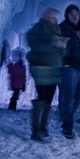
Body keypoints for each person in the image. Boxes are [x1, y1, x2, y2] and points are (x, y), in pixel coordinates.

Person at [26, 8, 67, 142]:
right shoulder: (37, 30)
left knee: (48, 98)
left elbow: (60, 50)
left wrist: (62, 54)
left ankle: (43, 127)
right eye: (52, 17)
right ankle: (36, 129)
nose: (54, 20)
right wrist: (52, 43)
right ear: (45, 16)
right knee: (42, 96)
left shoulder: (56, 30)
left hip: (54, 67)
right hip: (40, 66)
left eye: (55, 18)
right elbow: (35, 44)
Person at [58, 4, 80, 139]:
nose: (74, 16)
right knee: (69, 96)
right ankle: (67, 127)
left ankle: (66, 115)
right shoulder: (62, 28)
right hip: (69, 67)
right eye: (71, 14)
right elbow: (58, 47)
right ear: (67, 15)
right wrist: (64, 62)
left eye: (76, 13)